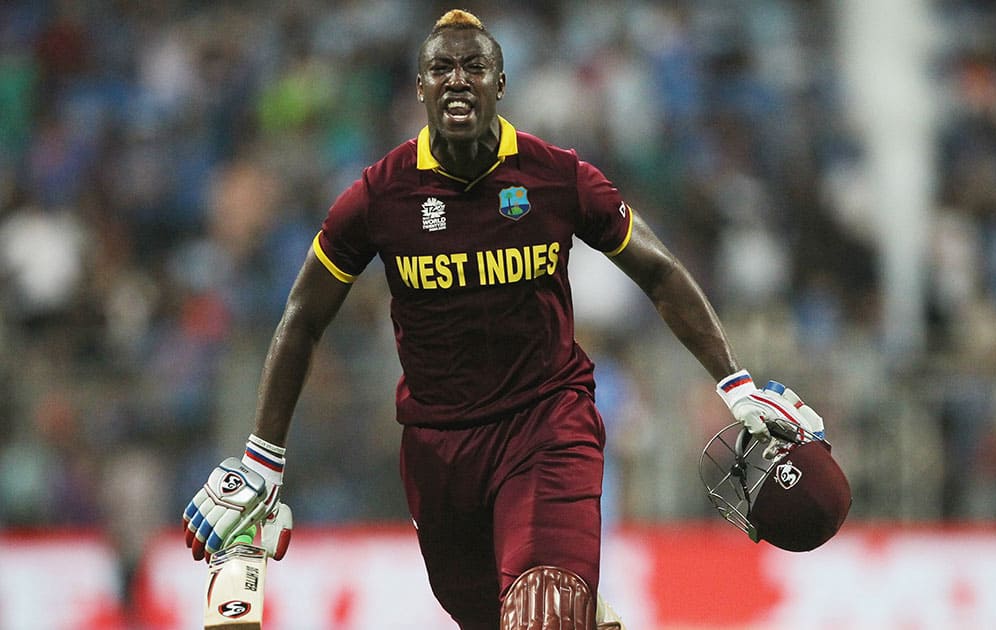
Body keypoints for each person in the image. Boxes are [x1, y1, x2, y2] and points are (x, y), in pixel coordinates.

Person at [184, 9, 811, 630]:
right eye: (441, 68)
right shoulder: (381, 195)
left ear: (501, 83)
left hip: (547, 426)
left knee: (540, 612)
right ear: (421, 87)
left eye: (475, 66)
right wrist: (262, 459)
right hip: (440, 452)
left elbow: (660, 270)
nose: (458, 79)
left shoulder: (557, 177)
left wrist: (734, 382)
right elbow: (302, 315)